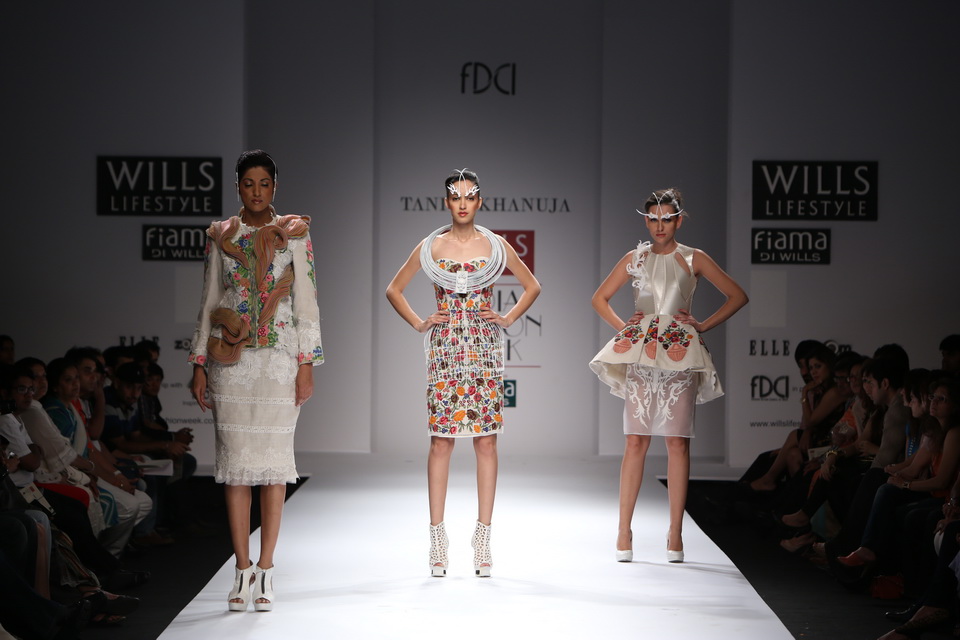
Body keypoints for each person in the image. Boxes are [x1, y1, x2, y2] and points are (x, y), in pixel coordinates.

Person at [386, 168, 540, 578]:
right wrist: (420, 322)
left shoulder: (495, 245)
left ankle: (482, 538)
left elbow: (532, 286)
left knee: (486, 441)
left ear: (479, 201)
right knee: (441, 442)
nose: (463, 203)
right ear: (447, 201)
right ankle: (437, 539)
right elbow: (393, 289)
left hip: (484, 347)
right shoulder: (431, 246)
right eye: (456, 196)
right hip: (445, 349)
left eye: (470, 196)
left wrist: (506, 318)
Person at [189, 150, 323, 612]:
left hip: (279, 360)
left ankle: (266, 568)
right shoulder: (221, 235)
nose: (257, 191)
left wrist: (307, 362)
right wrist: (198, 362)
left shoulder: (294, 234)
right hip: (231, 362)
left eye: (265, 183)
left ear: (275, 187)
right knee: (235, 468)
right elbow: (209, 300)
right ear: (238, 188)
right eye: (249, 184)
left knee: (274, 467)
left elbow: (306, 301)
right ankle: (241, 568)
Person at [589, 188, 747, 563]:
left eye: (667, 219)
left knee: (677, 443)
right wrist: (625, 329)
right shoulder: (635, 258)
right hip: (642, 354)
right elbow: (599, 298)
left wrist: (703, 325)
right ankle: (624, 530)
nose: (659, 226)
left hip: (679, 352)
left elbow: (737, 295)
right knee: (635, 441)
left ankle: (675, 533)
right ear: (646, 221)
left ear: (678, 220)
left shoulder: (694, 258)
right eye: (653, 219)